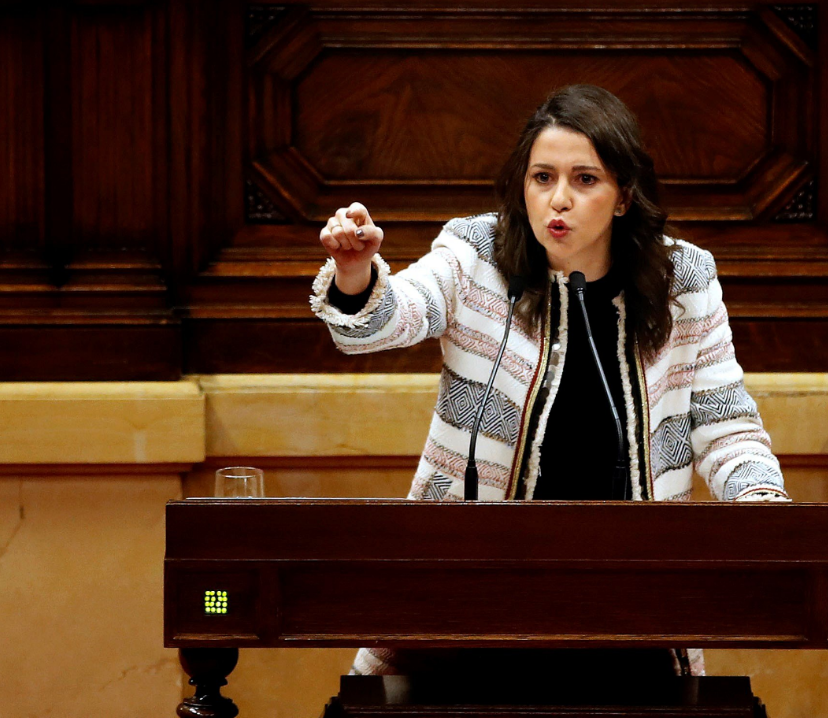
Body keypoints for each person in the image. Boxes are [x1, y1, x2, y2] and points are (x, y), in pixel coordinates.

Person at [310, 84, 788, 678]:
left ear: (622, 197)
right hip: (471, 598)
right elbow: (390, 317)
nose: (558, 200)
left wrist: (763, 505)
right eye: (542, 178)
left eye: (585, 179)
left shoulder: (682, 280)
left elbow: (726, 426)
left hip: (632, 605)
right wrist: (355, 275)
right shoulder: (475, 255)